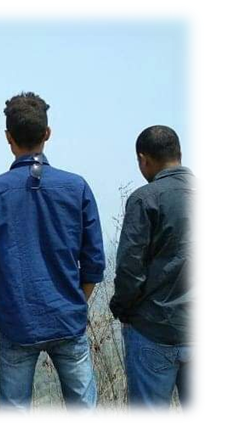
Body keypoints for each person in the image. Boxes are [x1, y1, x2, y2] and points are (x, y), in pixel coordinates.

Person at [0, 92, 105, 421]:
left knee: (15, 414)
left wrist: (5, 309)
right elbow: (94, 262)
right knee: (85, 414)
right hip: (67, 318)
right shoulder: (77, 187)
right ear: (47, 133)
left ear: (8, 138)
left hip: (18, 320)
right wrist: (76, 301)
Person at [110, 125, 204, 420]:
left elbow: (130, 269)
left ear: (143, 159)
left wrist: (122, 308)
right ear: (179, 154)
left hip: (154, 329)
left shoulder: (145, 199)